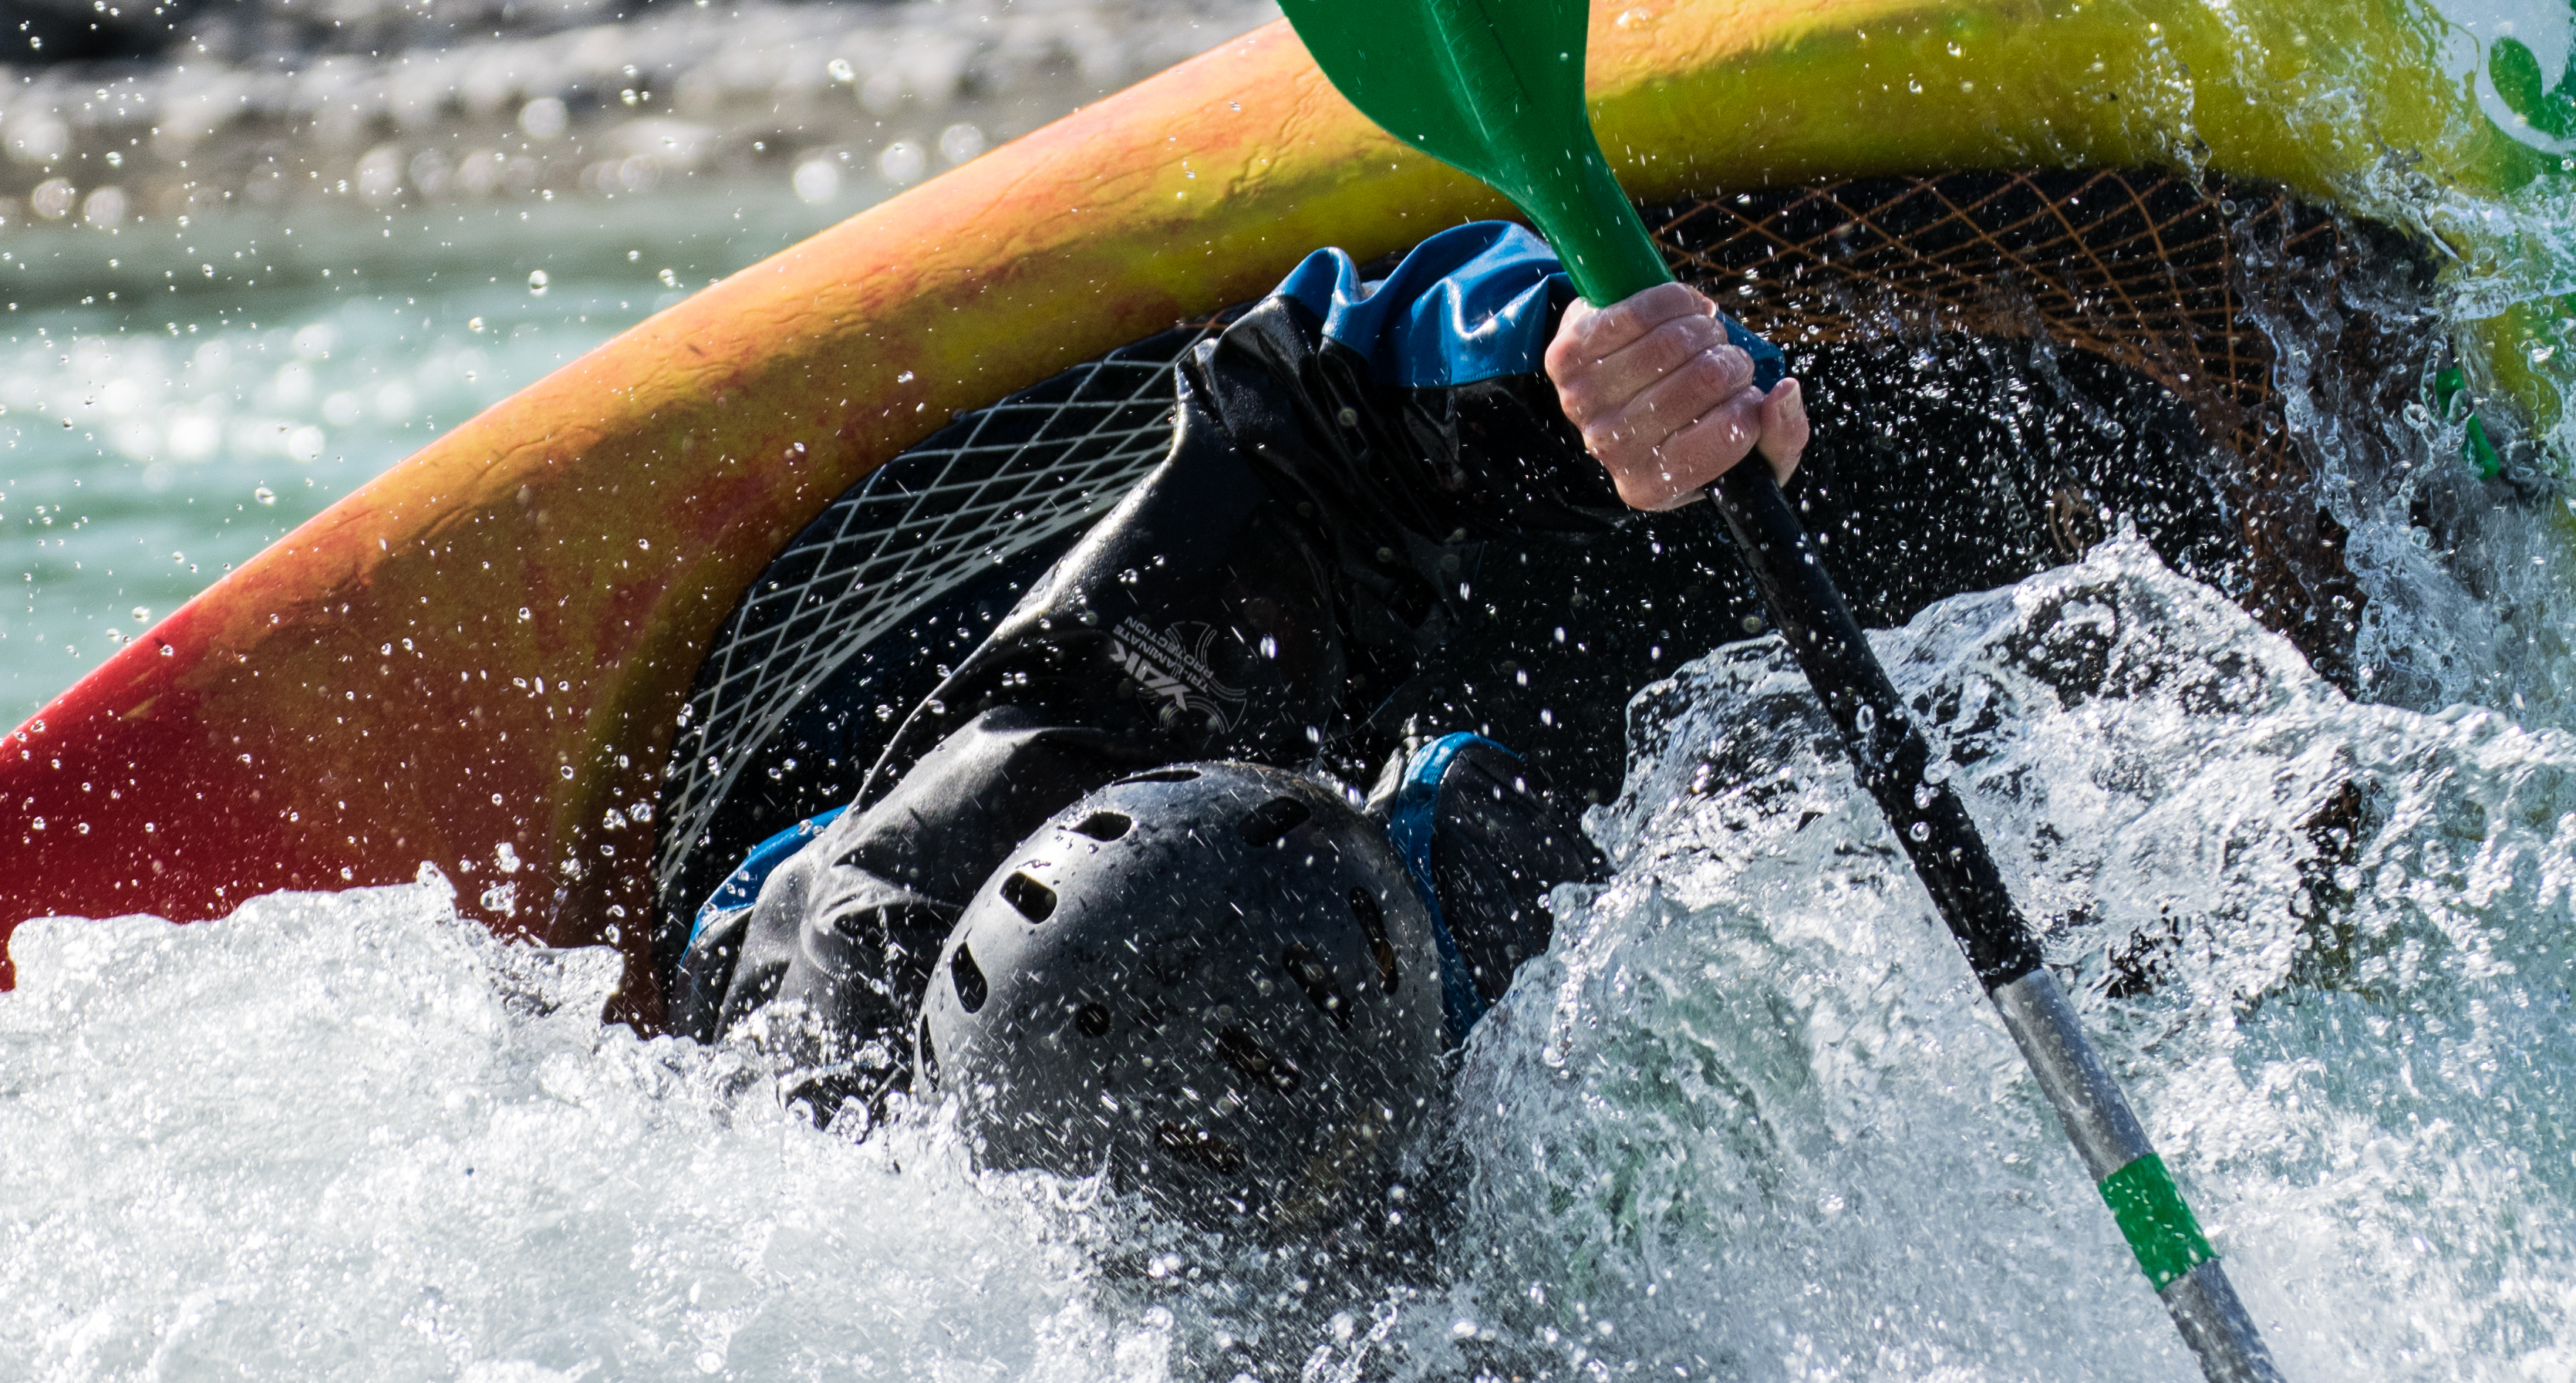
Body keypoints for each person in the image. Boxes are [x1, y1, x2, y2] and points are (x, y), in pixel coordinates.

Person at [671, 223, 1806, 1284]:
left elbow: (1308, 404)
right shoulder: (872, 1214)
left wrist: (1580, 375)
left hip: (884, 743)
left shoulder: (1080, 757)